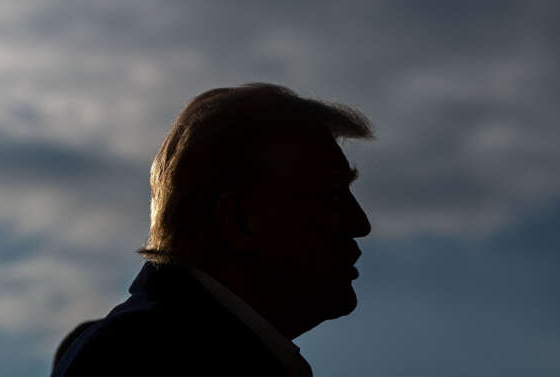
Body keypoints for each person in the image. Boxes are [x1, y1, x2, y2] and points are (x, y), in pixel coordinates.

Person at [51, 83, 373, 376]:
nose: (361, 224)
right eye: (330, 197)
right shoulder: (144, 357)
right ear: (238, 219)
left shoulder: (147, 346)